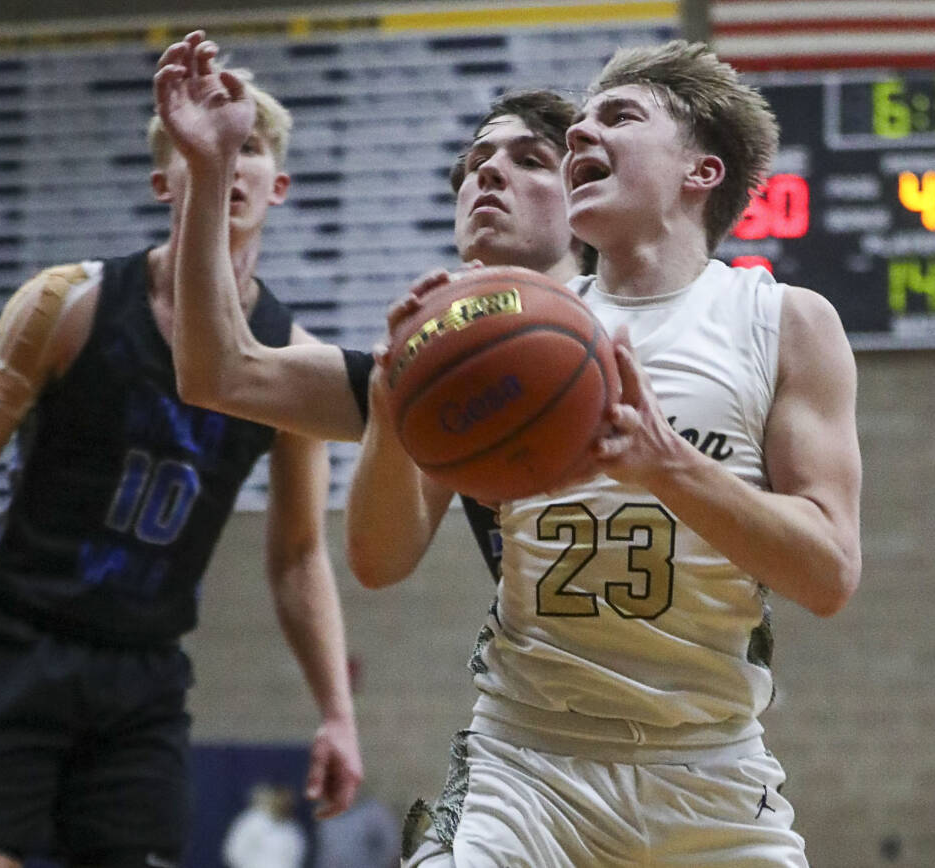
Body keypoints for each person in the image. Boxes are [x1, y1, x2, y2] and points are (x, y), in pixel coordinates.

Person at [350, 40, 864, 866]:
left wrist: (667, 465)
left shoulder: (781, 320)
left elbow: (829, 573)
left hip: (708, 769)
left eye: (618, 117)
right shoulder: (510, 325)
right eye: (578, 123)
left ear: (701, 171)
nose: (584, 133)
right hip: (526, 762)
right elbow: (378, 559)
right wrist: (386, 403)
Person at [0, 59, 362, 868]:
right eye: (206, 147)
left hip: (144, 672)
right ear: (165, 180)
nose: (229, 160)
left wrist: (337, 713)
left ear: (278, 185)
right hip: (16, 642)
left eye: (250, 145)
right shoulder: (66, 304)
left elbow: (297, 555)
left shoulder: (292, 360)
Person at [152, 30, 590, 582]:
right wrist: (210, 168)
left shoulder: (650, 327)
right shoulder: (445, 361)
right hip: (533, 667)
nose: (489, 171)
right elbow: (218, 373)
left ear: (585, 202)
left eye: (531, 160)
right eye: (477, 160)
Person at [222, 784, 307, 868]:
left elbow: (295, 860)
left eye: (287, 801)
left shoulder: (294, 832)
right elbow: (233, 854)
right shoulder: (251, 822)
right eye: (280, 798)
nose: (283, 803)